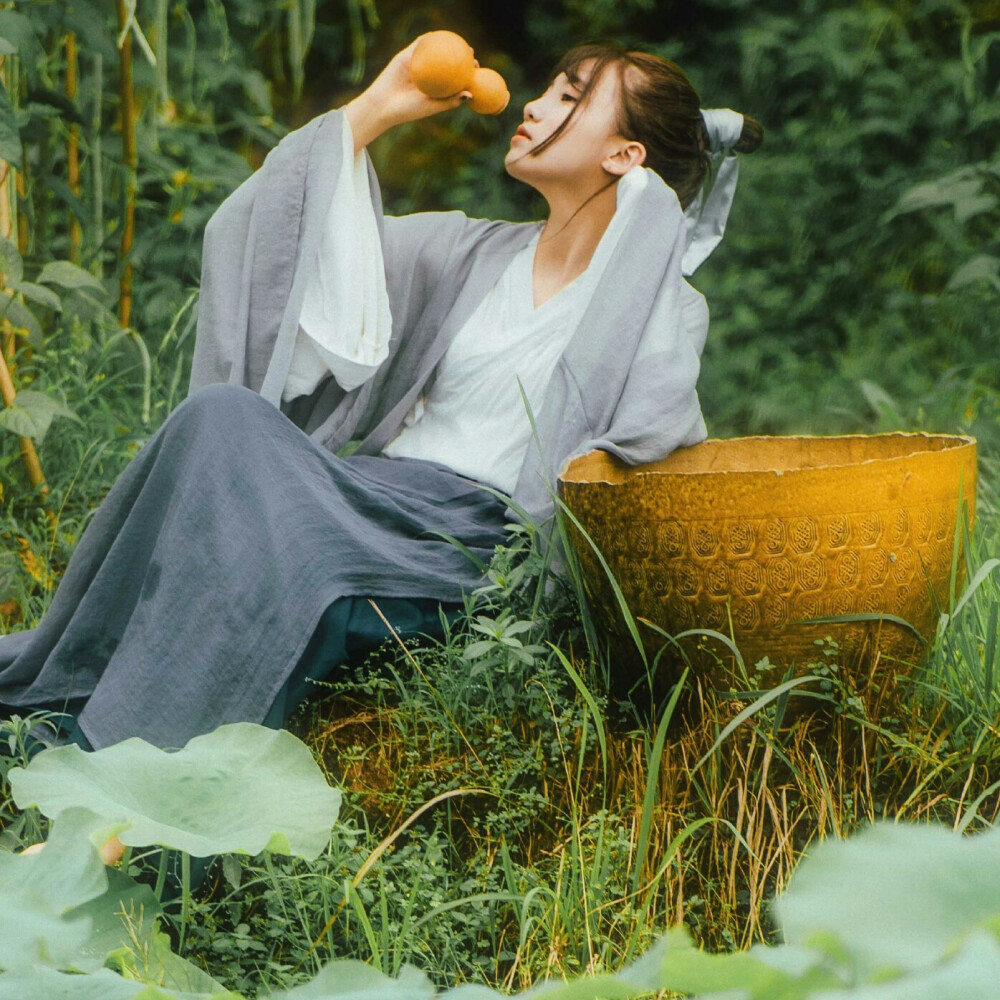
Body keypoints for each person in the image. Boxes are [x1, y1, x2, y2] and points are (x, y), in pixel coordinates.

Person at [0, 38, 762, 752]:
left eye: (568, 99)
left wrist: (654, 214)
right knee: (219, 418)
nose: (533, 106)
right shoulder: (464, 252)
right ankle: (63, 688)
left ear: (626, 157)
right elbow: (272, 240)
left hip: (472, 545)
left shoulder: (656, 307)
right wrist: (380, 105)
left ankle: (120, 775)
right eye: (548, 90)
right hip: (377, 494)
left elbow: (653, 431)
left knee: (292, 543)